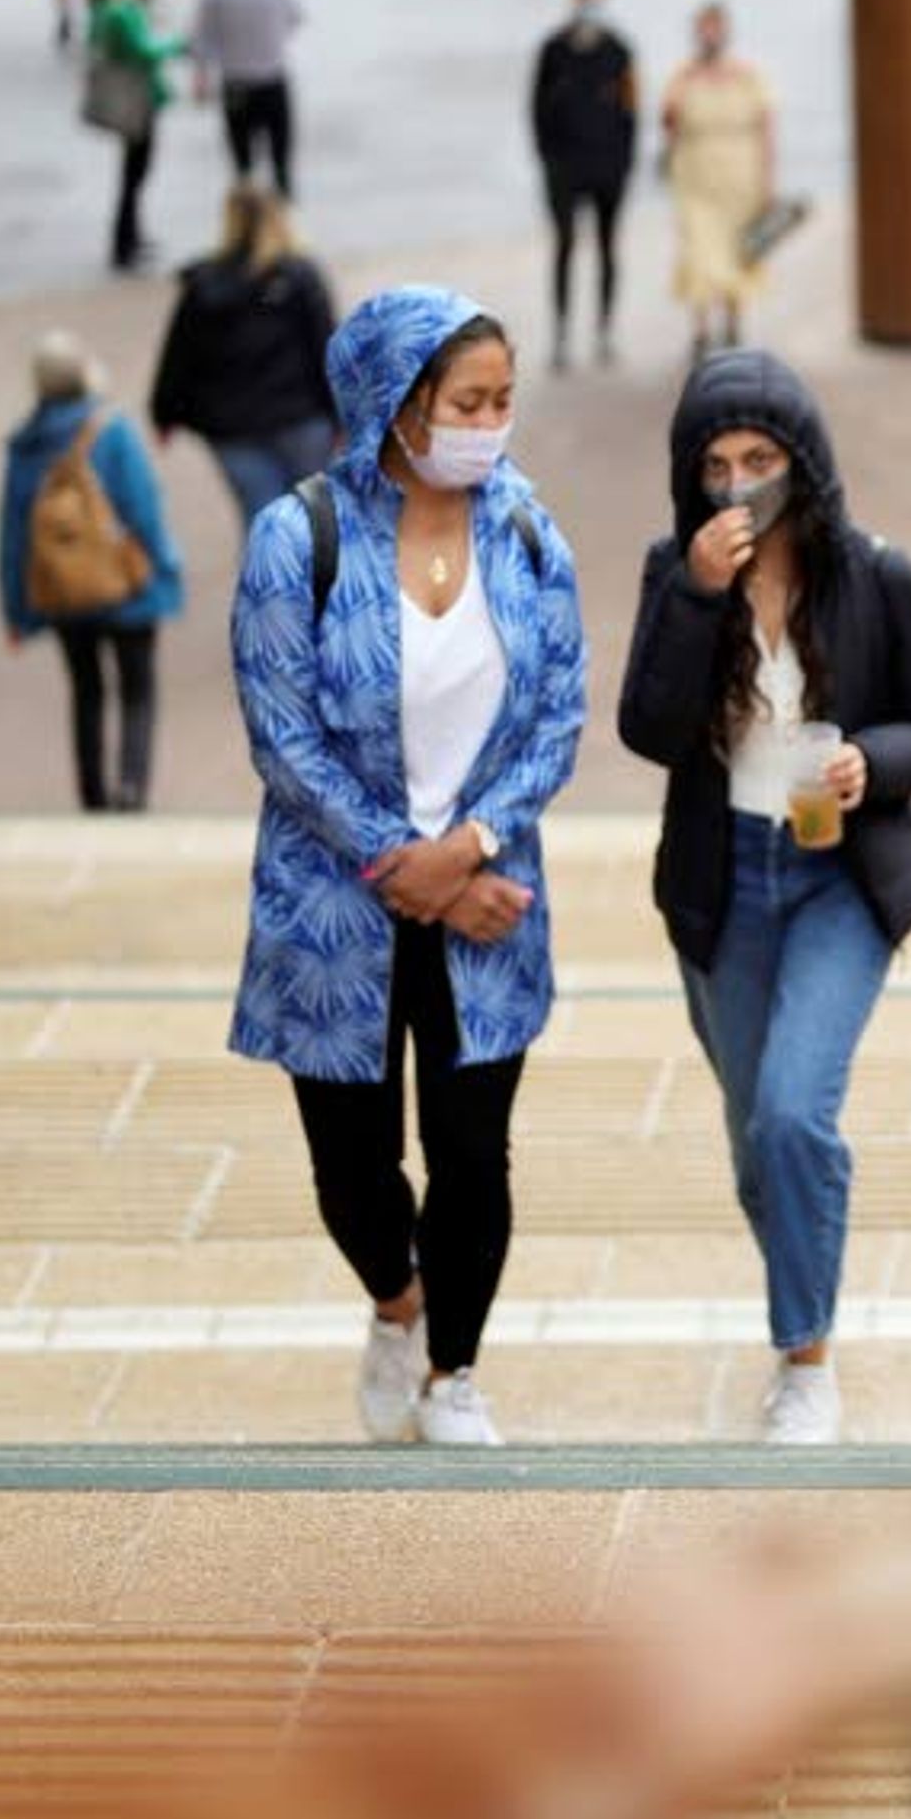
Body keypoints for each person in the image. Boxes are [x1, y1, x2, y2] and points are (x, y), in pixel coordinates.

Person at [227, 289, 586, 1450]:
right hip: (338, 908)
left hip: (489, 903)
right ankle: (398, 1299)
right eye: (467, 402)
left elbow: (559, 714)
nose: (491, 424)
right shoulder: (300, 537)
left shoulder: (524, 529)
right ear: (398, 404)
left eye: (502, 400)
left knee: (474, 1152)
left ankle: (455, 1371)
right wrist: (407, 866)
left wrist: (469, 847)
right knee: (353, 1163)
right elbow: (283, 736)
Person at [620, 351, 911, 1446]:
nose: (738, 485)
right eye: (716, 464)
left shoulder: (877, 576)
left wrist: (872, 758)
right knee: (751, 1140)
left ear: (802, 463)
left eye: (760, 460)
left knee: (790, 1113)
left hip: (836, 879)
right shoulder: (674, 574)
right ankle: (802, 1301)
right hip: (727, 885)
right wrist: (694, 595)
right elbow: (648, 729)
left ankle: (803, 1357)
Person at [0, 335, 186, 813]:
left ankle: (92, 796)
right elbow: (144, 510)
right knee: (138, 689)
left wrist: (17, 611)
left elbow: (15, 534)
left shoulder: (26, 446)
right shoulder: (114, 432)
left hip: (64, 594)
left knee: (86, 691)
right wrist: (165, 567)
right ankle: (132, 787)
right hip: (128, 588)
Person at [154, 184, 342, 527]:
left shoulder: (203, 286)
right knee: (317, 519)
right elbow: (326, 348)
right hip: (300, 419)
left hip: (232, 428)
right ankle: (320, 579)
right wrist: (342, 413)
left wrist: (164, 413)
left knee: (263, 521)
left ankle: (272, 579)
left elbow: (180, 355)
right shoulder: (300, 277)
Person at [529, 0, 643, 371]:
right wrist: (547, 159)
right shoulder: (552, 50)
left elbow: (632, 110)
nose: (589, 6)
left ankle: (604, 330)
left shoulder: (619, 51)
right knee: (564, 245)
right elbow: (536, 110)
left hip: (608, 168)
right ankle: (561, 333)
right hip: (564, 168)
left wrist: (626, 162)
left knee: (608, 247)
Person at [662, 1, 777, 360]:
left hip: (740, 172)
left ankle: (732, 322)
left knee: (736, 248)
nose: (709, 35)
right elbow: (668, 121)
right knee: (698, 250)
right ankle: (701, 329)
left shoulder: (747, 74)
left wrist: (768, 178)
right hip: (696, 171)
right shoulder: (683, 75)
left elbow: (766, 125)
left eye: (715, 28)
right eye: (704, 28)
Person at [190, 0, 308, 201]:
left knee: (243, 162)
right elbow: (296, 16)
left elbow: (203, 36)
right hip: (273, 74)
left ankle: (248, 219)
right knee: (280, 154)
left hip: (236, 81)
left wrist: (201, 77)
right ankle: (283, 212)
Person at [84, 0, 182, 275]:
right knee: (134, 174)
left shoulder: (101, 6)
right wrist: (178, 44)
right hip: (138, 99)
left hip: (130, 98)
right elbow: (144, 49)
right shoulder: (120, 10)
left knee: (133, 173)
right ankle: (125, 242)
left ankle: (132, 236)